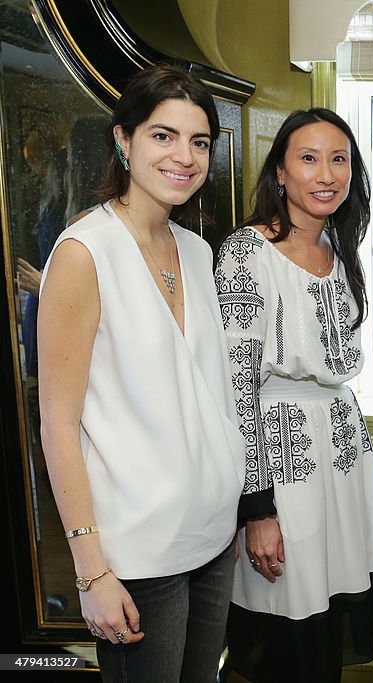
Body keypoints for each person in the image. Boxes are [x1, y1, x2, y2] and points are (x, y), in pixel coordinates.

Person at [37, 63, 244, 680]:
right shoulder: (84, 253)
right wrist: (92, 570)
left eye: (199, 141)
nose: (184, 156)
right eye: (163, 135)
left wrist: (229, 495)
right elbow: (58, 424)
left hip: (211, 534)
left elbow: (212, 393)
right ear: (123, 141)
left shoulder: (200, 252)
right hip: (138, 552)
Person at [217, 108, 373, 682]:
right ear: (280, 174)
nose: (326, 174)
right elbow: (235, 386)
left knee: (327, 629)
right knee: (289, 630)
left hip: (340, 458)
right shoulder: (248, 252)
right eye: (309, 158)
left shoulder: (340, 252)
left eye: (339, 159)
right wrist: (257, 508)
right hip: (283, 461)